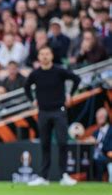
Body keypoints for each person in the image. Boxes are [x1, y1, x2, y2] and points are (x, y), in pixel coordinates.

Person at [24, 46, 81, 186]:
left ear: (51, 55)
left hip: (58, 111)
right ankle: (44, 177)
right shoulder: (35, 74)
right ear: (38, 57)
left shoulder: (59, 71)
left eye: (47, 54)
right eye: (42, 54)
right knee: (45, 144)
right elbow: (26, 87)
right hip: (43, 112)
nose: (44, 56)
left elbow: (76, 79)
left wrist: (70, 94)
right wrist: (32, 100)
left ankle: (64, 175)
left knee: (62, 142)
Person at [88, 108, 112, 182]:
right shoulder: (96, 132)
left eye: (101, 116)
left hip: (107, 157)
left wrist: (98, 142)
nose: (99, 119)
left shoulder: (111, 130)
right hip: (95, 159)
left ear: (106, 117)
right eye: (98, 117)